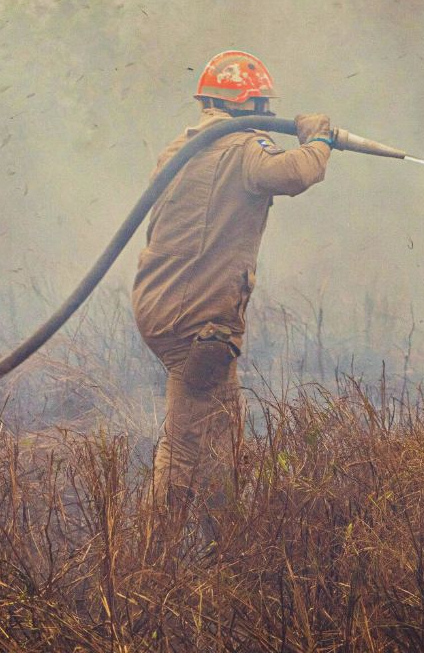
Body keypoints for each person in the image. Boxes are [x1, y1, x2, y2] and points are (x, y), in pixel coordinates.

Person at [133, 50, 332, 512]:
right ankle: (149, 561)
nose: (269, 115)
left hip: (167, 309)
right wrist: (318, 137)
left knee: (224, 432)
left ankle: (227, 541)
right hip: (195, 322)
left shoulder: (180, 148)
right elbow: (297, 172)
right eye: (264, 105)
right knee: (184, 448)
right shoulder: (243, 149)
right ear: (250, 107)